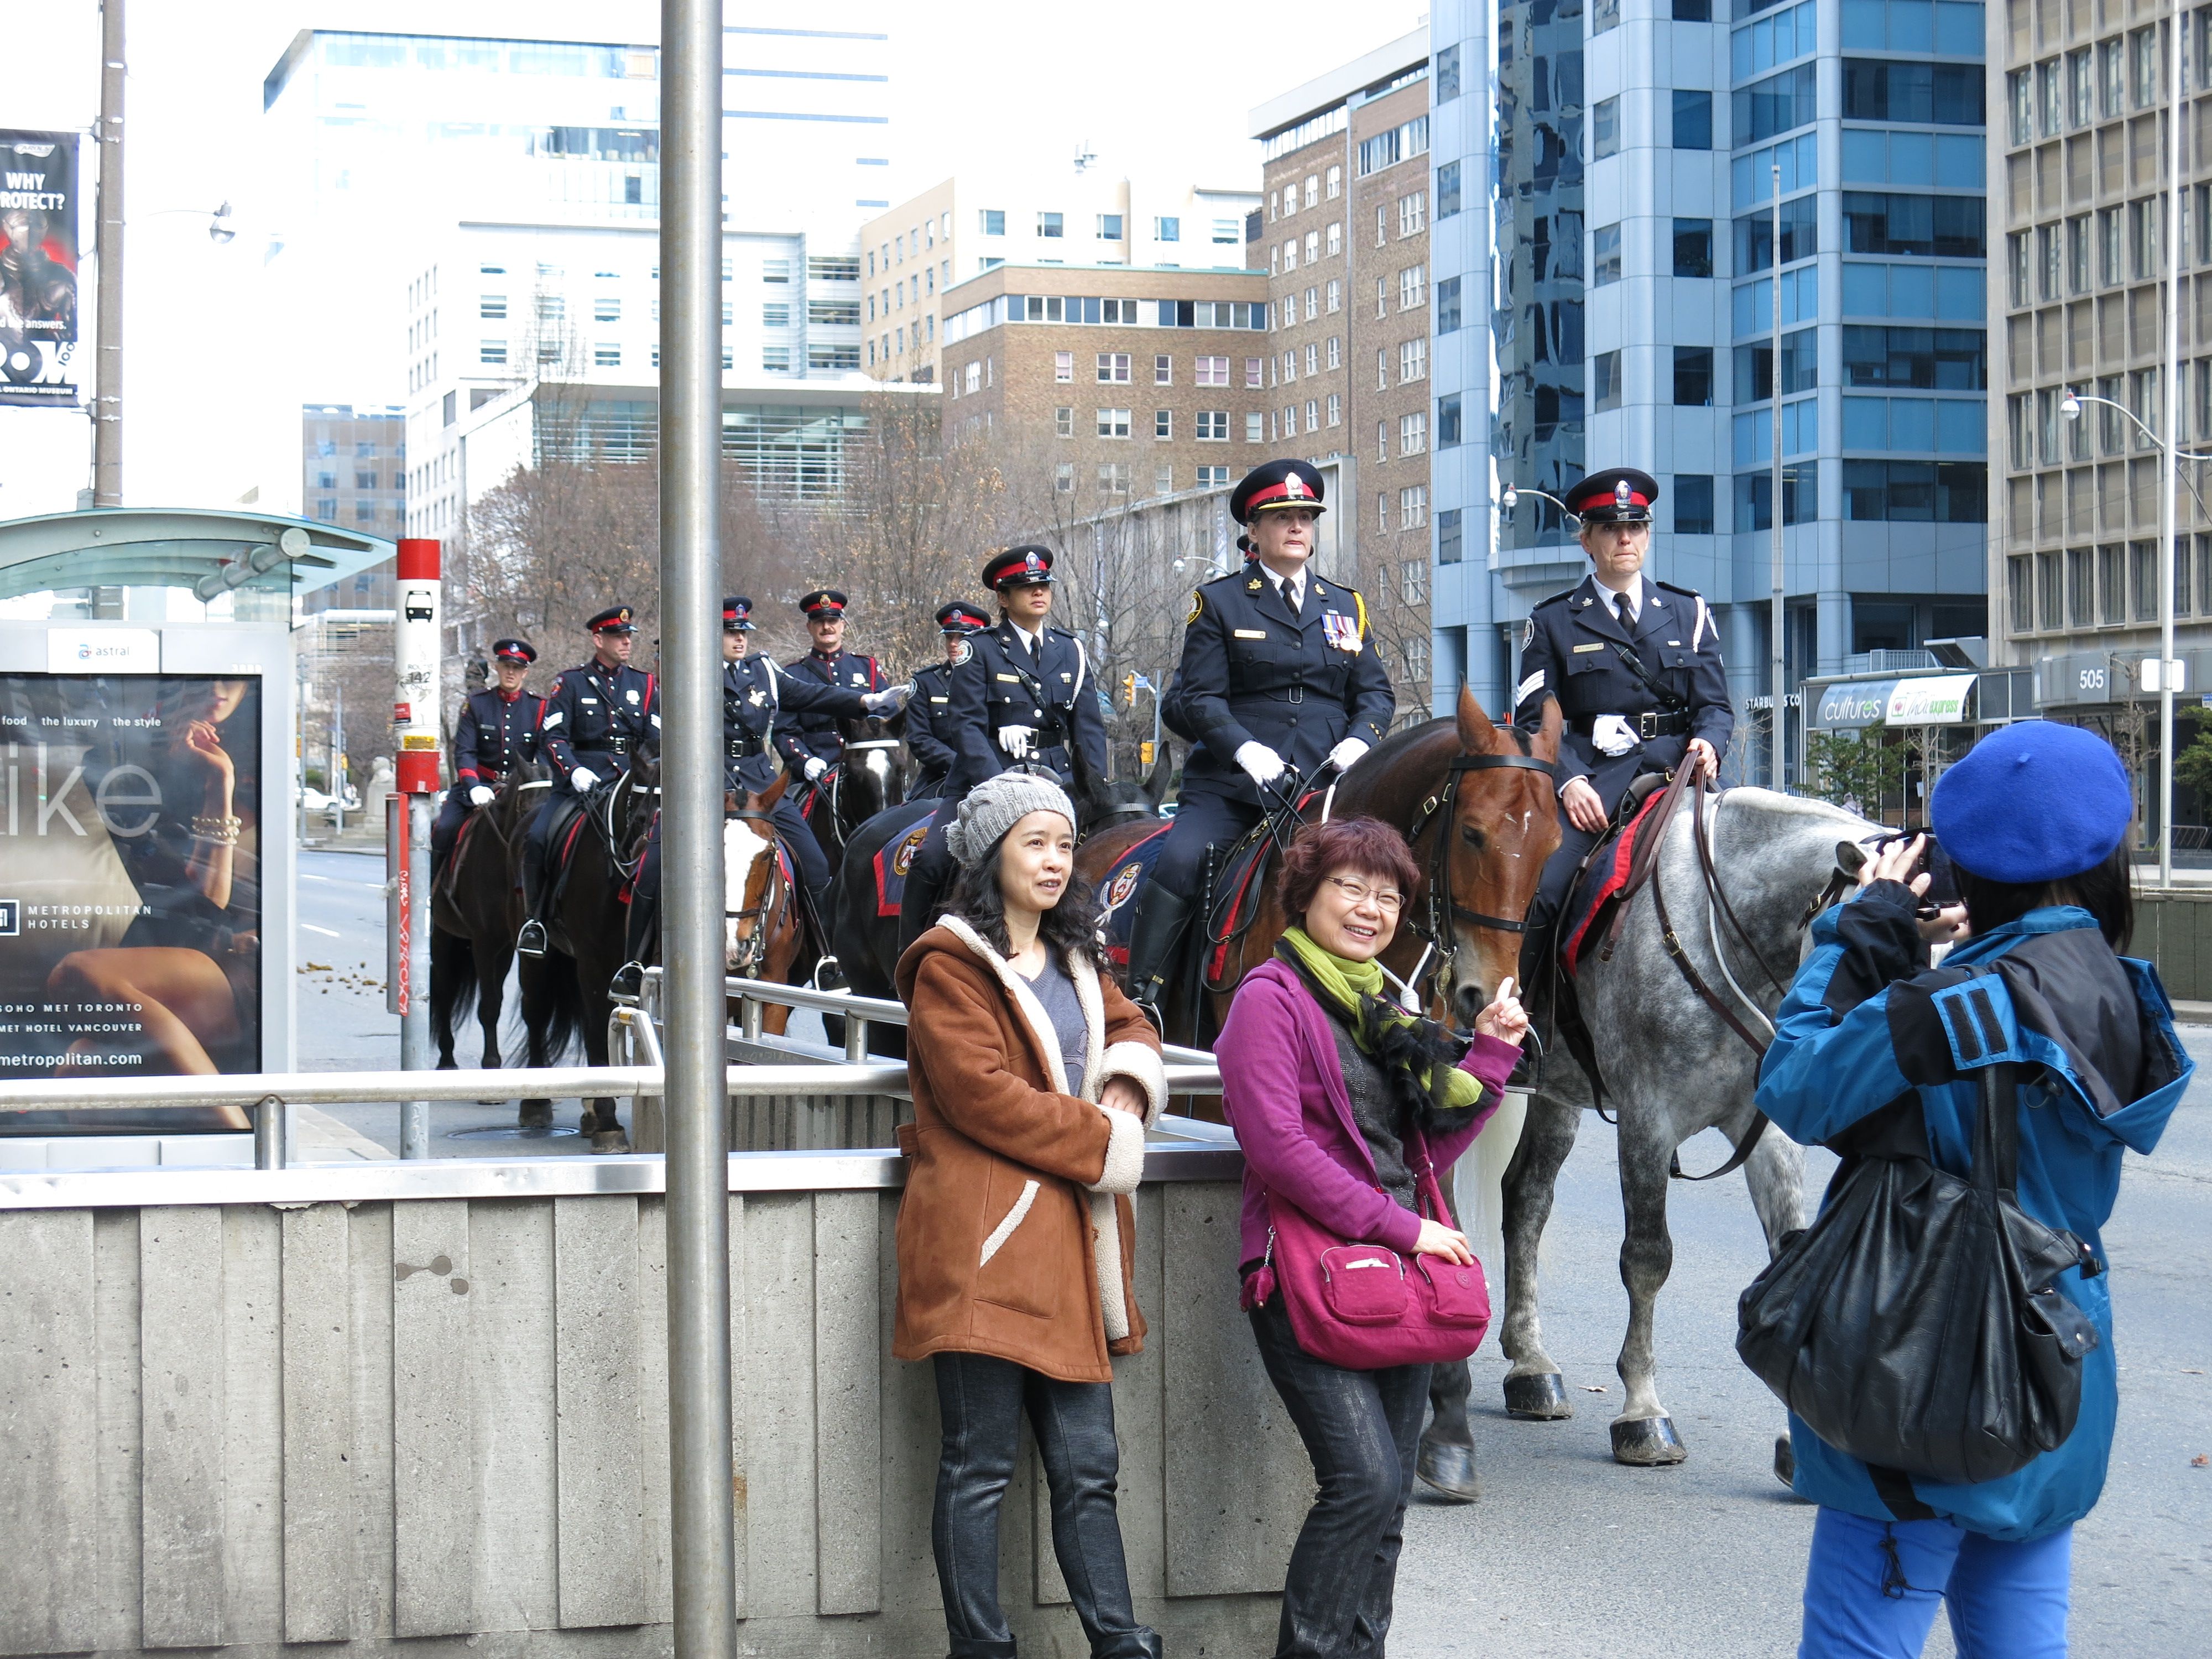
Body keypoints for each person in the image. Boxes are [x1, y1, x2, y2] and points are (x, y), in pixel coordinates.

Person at [1755, 721, 2188, 1658]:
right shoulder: (2119, 990)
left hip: (1928, 1365)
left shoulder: (1957, 1003)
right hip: (2053, 1359)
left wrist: (1856, 931)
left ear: (1970, 864)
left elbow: (1797, 1083)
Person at [1214, 817, 1526, 1659]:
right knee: (1364, 1482)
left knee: (1387, 1506)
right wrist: (1406, 1227)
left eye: (1387, 896)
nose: (1369, 909)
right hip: (1304, 1273)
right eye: (1349, 888)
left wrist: (1492, 1058)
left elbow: (1415, 1154)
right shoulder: (1268, 1000)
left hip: (1392, 1278)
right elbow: (1278, 1150)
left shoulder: (1382, 1008)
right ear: (1305, 896)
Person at [893, 770, 1170, 1659]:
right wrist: (1107, 1142)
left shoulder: (1079, 954)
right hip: (985, 1242)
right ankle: (982, 1648)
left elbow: (1134, 1027)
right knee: (979, 1466)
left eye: (1064, 844)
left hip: (1070, 1248)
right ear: (990, 857)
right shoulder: (948, 965)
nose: (1055, 861)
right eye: (1034, 844)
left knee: (1090, 1467)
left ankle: (1120, 1643)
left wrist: (1127, 1086)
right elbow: (983, 1098)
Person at [1124, 459, 1394, 1024]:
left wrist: (1359, 743)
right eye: (1281, 517)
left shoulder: (1346, 605)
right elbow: (1199, 698)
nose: (1296, 526)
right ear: (1253, 529)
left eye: (1306, 517)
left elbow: (1375, 694)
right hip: (1233, 786)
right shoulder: (1220, 602)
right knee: (1180, 860)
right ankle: (1145, 993)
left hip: (1325, 786)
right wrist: (1245, 750)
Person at [1510, 467, 1733, 1010]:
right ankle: (1523, 1020)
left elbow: (1715, 707)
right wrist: (1568, 782)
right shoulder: (1554, 621)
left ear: (1648, 536)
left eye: (1635, 527)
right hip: (1596, 785)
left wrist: (1710, 743)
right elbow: (1533, 719)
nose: (1625, 538)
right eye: (1610, 528)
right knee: (1543, 892)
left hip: (1680, 773)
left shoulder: (1687, 611)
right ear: (1586, 541)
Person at [609, 597, 904, 998]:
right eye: (730, 633)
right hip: (701, 783)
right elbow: (662, 730)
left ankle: (827, 957)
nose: (739, 640)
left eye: (743, 632)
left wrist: (864, 702)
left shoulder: (762, 670)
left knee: (815, 863)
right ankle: (634, 964)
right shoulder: (687, 671)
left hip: (759, 781)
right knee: (652, 867)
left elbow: (809, 695)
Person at [898, 545, 1110, 953]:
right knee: (932, 859)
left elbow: (1088, 730)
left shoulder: (1072, 650)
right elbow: (966, 726)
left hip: (1057, 782)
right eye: (1026, 587)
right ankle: (911, 958)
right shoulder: (980, 649)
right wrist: (1002, 784)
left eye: (1043, 585)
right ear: (1003, 597)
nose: (1038, 592)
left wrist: (1095, 789)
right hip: (983, 782)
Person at [519, 605, 658, 957]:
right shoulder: (571, 682)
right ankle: (536, 921)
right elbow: (553, 738)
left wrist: (647, 771)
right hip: (582, 783)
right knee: (537, 837)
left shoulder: (644, 684)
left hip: (632, 783)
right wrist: (573, 770)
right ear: (599, 640)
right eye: (618, 636)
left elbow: (655, 739)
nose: (627, 642)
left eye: (629, 636)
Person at [432, 637, 541, 872]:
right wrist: (473, 786)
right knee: (443, 830)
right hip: (479, 785)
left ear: (525, 673)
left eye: (517, 668)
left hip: (519, 791)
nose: (511, 673)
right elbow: (465, 751)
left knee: (545, 837)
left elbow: (543, 759)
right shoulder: (476, 703)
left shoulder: (539, 707)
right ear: (496, 667)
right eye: (506, 666)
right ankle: (437, 887)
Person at [775, 588, 888, 784]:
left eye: (832, 621)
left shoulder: (867, 667)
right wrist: (805, 761)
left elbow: (887, 717)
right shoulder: (793, 674)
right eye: (820, 621)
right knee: (785, 804)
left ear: (843, 625)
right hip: (815, 767)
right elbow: (784, 730)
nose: (826, 627)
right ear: (809, 627)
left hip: (864, 762)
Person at [905, 599, 991, 800]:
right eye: (949, 637)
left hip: (995, 773)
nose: (953, 643)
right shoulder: (925, 682)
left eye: (962, 637)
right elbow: (919, 739)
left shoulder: (998, 679)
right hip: (942, 777)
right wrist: (963, 764)